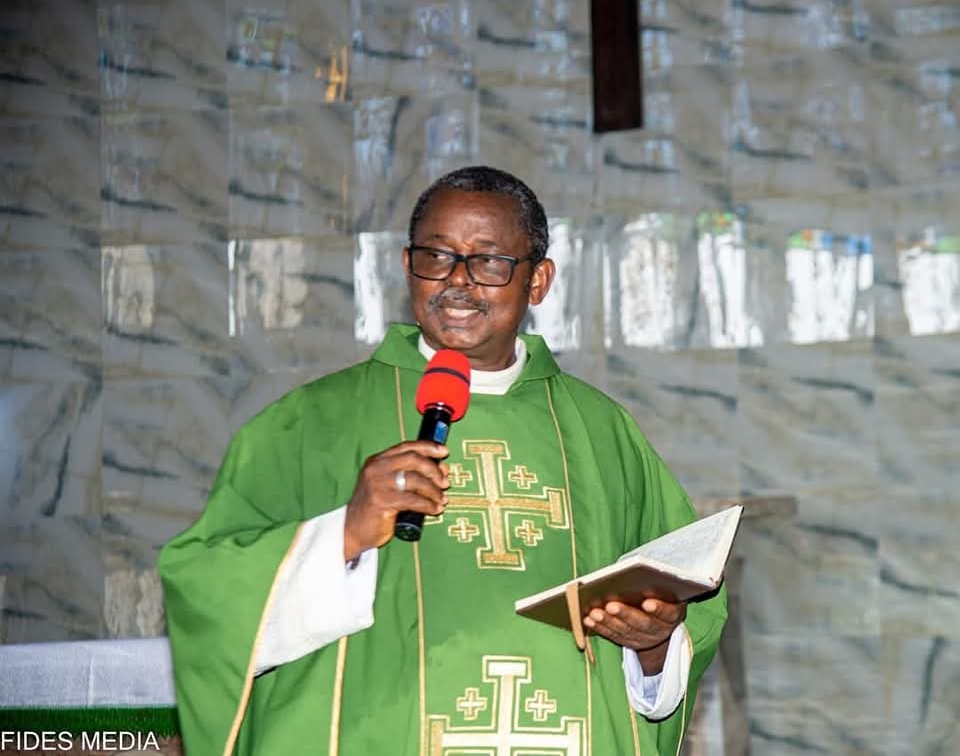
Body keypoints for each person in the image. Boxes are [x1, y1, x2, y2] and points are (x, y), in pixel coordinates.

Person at [158, 166, 727, 755]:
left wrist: (654, 645)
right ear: (408, 266)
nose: (458, 280)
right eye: (437, 256)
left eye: (489, 261)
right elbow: (206, 588)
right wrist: (345, 534)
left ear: (537, 281)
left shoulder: (603, 432)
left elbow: (687, 601)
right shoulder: (308, 423)